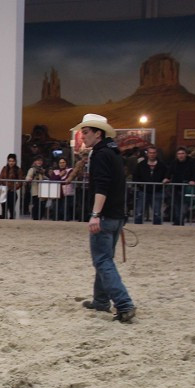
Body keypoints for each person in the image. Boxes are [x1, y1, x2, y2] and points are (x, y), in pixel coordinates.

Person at [73, 113, 135, 323]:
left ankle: (124, 304)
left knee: (102, 260)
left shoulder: (100, 155)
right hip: (117, 215)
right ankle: (101, 301)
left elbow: (102, 186)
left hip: (106, 215)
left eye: (86, 132)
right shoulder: (114, 152)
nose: (83, 136)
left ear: (98, 133)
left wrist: (95, 214)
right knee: (104, 259)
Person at [163, 147, 195, 225]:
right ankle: (178, 221)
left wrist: (193, 180)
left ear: (186, 154)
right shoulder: (174, 162)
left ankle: (180, 220)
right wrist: (166, 178)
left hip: (187, 186)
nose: (181, 155)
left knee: (184, 205)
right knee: (176, 204)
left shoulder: (192, 162)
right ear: (177, 155)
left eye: (182, 153)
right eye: (179, 154)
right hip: (176, 186)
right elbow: (169, 171)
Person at [132, 146, 167, 224]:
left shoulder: (162, 165)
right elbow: (135, 176)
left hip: (157, 191)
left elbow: (166, 175)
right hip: (143, 191)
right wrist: (140, 186)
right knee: (139, 213)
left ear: (156, 154)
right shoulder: (141, 165)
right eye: (150, 153)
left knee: (157, 213)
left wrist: (166, 179)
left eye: (154, 153)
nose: (152, 154)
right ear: (147, 154)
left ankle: (157, 230)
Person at [0, 153, 20, 219]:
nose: (11, 163)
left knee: (11, 208)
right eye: (9, 161)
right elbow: (0, 177)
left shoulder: (18, 170)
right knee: (4, 208)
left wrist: (14, 188)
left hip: (12, 191)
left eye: (12, 161)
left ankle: (12, 220)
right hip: (4, 191)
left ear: (15, 161)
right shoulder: (4, 168)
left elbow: (21, 182)